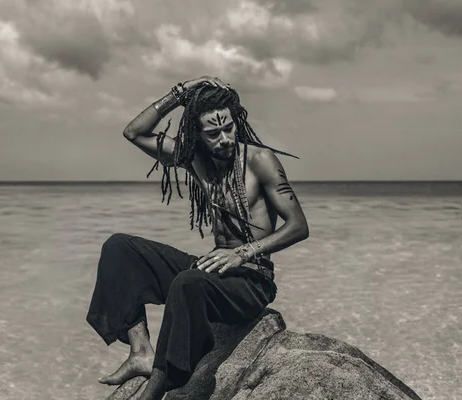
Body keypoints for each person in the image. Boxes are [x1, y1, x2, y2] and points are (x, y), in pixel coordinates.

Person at [86, 76, 309, 399]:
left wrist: (244, 252)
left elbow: (299, 225)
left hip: (250, 281)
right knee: (119, 248)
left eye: (229, 128)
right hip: (211, 272)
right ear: (197, 135)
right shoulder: (194, 158)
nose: (224, 139)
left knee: (189, 282)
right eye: (213, 133)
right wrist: (182, 92)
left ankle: (155, 391)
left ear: (236, 121)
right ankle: (140, 353)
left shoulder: (259, 161)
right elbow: (134, 132)